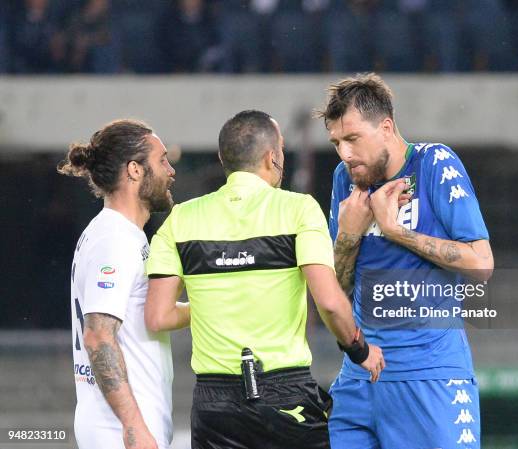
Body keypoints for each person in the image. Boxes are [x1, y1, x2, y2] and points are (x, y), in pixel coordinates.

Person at [144, 110, 385, 449]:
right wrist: (360, 350)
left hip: (215, 403)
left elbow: (157, 316)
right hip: (285, 394)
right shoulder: (298, 209)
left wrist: (221, 299)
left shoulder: (180, 219)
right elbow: (329, 302)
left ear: (223, 159)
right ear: (273, 156)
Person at [315, 73, 494, 449]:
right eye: (336, 143)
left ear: (386, 127)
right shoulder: (344, 179)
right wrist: (348, 235)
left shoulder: (434, 164)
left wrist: (395, 231)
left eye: (352, 139)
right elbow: (339, 287)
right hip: (360, 377)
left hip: (430, 377)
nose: (344, 154)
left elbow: (481, 264)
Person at [58, 119, 185, 449]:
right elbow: (99, 336)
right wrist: (132, 425)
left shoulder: (122, 234)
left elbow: (145, 314)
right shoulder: (113, 239)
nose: (170, 170)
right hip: (117, 433)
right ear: (134, 170)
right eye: (161, 160)